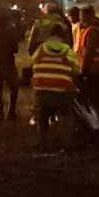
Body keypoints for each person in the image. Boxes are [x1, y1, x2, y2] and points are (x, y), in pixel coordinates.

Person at [31, 23, 82, 152]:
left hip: (42, 88)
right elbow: (76, 70)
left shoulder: (41, 49)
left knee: (42, 118)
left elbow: (33, 63)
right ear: (62, 37)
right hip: (62, 90)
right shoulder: (67, 50)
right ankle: (66, 144)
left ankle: (43, 144)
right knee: (66, 117)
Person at [76, 6, 99, 123]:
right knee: (95, 93)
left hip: (91, 68)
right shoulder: (92, 29)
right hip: (94, 67)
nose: (80, 18)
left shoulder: (92, 31)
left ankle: (96, 120)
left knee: (92, 95)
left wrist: (83, 69)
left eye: (81, 15)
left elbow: (89, 52)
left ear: (88, 16)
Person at [0, 10, 21, 122]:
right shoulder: (11, 32)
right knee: (13, 88)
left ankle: (0, 113)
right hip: (9, 63)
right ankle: (11, 112)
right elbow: (16, 49)